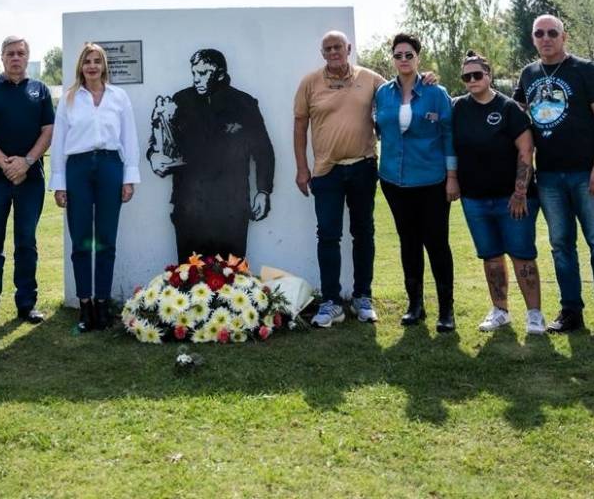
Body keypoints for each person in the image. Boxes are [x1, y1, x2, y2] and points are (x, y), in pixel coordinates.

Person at [294, 31, 439, 328]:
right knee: (328, 235)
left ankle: (363, 297)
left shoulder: (370, 79)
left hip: (363, 167)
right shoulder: (310, 82)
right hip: (326, 171)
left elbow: (401, 88)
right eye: (327, 48)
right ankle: (331, 302)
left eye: (338, 47)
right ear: (322, 53)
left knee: (364, 233)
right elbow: (299, 126)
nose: (333, 52)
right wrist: (301, 168)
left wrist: (424, 77)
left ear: (348, 48)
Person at [514, 15, 594, 340]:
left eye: (552, 33)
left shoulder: (585, 70)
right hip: (549, 177)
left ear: (564, 36)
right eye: (539, 33)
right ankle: (571, 311)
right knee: (561, 246)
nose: (546, 38)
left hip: (586, 174)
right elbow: (512, 115)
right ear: (533, 38)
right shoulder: (528, 74)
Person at [148, 48, 274, 261]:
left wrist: (263, 191)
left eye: (203, 73)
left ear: (220, 74)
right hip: (189, 203)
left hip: (231, 204)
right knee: (189, 273)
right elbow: (161, 143)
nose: (196, 79)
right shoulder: (180, 101)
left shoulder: (244, 104)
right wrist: (154, 157)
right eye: (194, 73)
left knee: (231, 273)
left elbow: (263, 151)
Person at [453, 50, 545, 336]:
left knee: (522, 255)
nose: (472, 80)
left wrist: (519, 193)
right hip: (474, 199)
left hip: (513, 199)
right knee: (491, 257)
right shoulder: (457, 108)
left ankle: (535, 314)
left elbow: (525, 150)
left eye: (477, 74)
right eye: (466, 76)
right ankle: (500, 311)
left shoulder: (509, 108)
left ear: (488, 75)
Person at [51, 43, 140, 332]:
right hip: (77, 168)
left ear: (104, 66)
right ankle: (85, 305)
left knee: (105, 239)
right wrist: (59, 183)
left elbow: (129, 139)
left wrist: (129, 178)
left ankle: (102, 304)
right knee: (80, 240)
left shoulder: (119, 97)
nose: (92, 66)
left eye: (97, 61)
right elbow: (58, 143)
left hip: (110, 166)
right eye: (87, 61)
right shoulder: (69, 99)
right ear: (80, 66)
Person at [375, 33, 459, 332]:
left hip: (432, 181)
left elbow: (449, 135)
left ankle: (446, 310)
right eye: (398, 55)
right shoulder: (382, 93)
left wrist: (452, 177)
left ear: (418, 57)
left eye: (408, 54)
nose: (403, 60)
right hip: (394, 181)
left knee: (436, 243)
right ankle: (415, 305)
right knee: (408, 242)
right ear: (393, 59)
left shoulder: (437, 92)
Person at [0, 35, 54, 331]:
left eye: (20, 53)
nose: (15, 57)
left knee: (26, 242)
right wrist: (6, 164)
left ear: (27, 57)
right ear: (2, 57)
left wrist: (26, 162)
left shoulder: (40, 90)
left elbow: (48, 130)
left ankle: (26, 303)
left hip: (30, 179)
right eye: (10, 53)